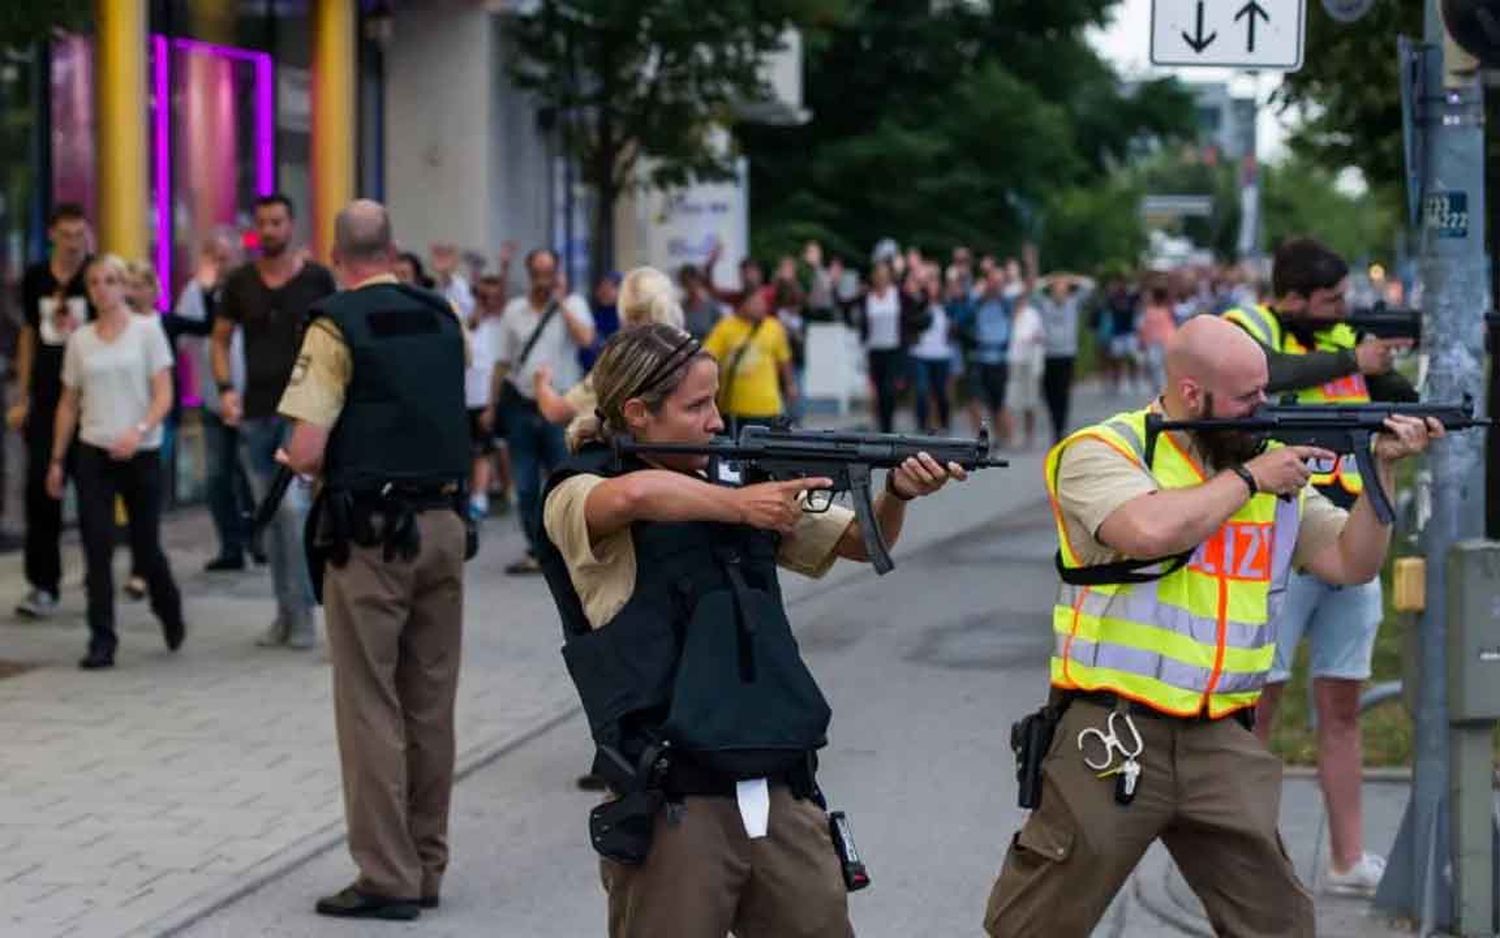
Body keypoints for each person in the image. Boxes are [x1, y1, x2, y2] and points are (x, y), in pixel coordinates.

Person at [983, 316, 1439, 937]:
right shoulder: (1106, 450)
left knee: (1278, 924)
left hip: (1221, 736)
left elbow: (1350, 562)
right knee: (1034, 926)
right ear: (1192, 395)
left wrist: (1382, 470)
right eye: (1248, 396)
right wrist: (1251, 479)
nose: (1265, 407)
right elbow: (1146, 530)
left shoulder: (1262, 464)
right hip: (1115, 729)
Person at [537, 323, 965, 938]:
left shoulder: (736, 481)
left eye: (716, 400)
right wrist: (739, 505)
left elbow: (856, 541)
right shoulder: (578, 491)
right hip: (673, 804)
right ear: (637, 412)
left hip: (782, 788)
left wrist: (895, 491)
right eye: (696, 405)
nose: (716, 421)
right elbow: (630, 498)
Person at [277, 200, 470, 921]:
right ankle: (427, 864)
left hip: (371, 539)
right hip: (446, 527)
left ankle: (386, 877)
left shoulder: (334, 325)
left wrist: (293, 456)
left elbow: (304, 451)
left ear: (335, 254)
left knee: (370, 705)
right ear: (393, 250)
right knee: (431, 703)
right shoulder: (445, 317)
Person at [1224, 237, 1417, 895]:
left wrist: (1387, 369)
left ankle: (1346, 859)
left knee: (1342, 706)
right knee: (1259, 711)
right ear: (1294, 297)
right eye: (1329, 301)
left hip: (1350, 532)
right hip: (1277, 537)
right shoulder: (1244, 328)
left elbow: (1399, 396)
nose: (1343, 310)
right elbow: (1261, 375)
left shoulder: (1342, 332)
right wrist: (1351, 357)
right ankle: (1248, 863)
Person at [212, 193, 337, 649]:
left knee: (291, 511)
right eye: (263, 223)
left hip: (302, 412)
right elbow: (220, 339)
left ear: (292, 225)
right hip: (255, 411)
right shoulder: (241, 282)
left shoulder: (318, 280)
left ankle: (303, 615)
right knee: (270, 516)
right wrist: (225, 389)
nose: (270, 230)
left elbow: (339, 338)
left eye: (277, 222)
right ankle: (284, 614)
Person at [46, 255, 183, 670]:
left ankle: (168, 608)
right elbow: (68, 404)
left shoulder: (147, 331)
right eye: (94, 282)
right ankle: (101, 639)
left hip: (139, 452)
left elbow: (164, 395)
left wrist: (138, 430)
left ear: (125, 286)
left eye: (110, 281)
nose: (102, 288)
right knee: (96, 545)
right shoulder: (80, 340)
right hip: (94, 451)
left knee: (145, 546)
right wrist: (56, 459)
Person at [494, 248, 596, 575]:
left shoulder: (573, 305)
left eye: (548, 271)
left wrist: (561, 301)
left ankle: (562, 547)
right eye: (537, 271)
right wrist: (492, 403)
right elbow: (504, 362)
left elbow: (586, 340)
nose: (542, 278)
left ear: (557, 272)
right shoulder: (514, 311)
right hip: (521, 406)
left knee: (561, 478)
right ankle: (536, 549)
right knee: (524, 485)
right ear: (528, 272)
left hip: (560, 406)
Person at [12, 203, 92, 619]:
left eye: (80, 235)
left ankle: (103, 578)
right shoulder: (35, 279)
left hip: (91, 402)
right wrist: (22, 396)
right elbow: (28, 334)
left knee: (94, 489)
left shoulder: (95, 276)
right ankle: (43, 583)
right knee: (41, 490)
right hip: (45, 398)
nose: (74, 244)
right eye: (67, 235)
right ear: (53, 236)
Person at [174, 232, 262, 571]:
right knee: (217, 476)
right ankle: (231, 545)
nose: (222, 263)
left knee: (253, 474)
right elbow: (185, 336)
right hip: (214, 399)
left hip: (254, 400)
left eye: (228, 256)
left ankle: (259, 538)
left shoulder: (252, 288)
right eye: (216, 256)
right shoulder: (195, 292)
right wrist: (205, 292)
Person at [702, 287, 796, 433]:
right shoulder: (725, 327)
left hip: (768, 408)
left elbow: (784, 359)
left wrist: (790, 385)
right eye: (756, 302)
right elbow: (708, 355)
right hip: (733, 409)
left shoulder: (774, 327)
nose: (762, 306)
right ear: (743, 304)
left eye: (763, 302)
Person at [1032, 271, 1093, 444]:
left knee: (1063, 393)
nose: (1060, 293)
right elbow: (1033, 290)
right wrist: (1050, 280)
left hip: (1066, 355)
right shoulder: (1044, 304)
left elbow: (1089, 286)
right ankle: (1054, 422)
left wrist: (1070, 278)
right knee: (1049, 393)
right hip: (1048, 355)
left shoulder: (1073, 303)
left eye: (1063, 289)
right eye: (1056, 290)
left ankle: (1060, 428)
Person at [957, 265, 1014, 446]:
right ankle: (980, 438)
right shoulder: (977, 301)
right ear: (987, 282)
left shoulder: (1006, 302)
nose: (996, 286)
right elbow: (963, 308)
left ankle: (1002, 437)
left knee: (997, 403)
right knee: (974, 399)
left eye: (999, 282)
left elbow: (1028, 290)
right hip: (979, 358)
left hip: (999, 358)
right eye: (993, 281)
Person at [465, 274, 506, 521]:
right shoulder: (469, 323)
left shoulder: (500, 324)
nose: (487, 301)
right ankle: (473, 493)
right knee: (468, 449)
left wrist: (491, 405)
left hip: (485, 397)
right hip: (463, 396)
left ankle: (480, 497)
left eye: (491, 297)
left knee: (484, 449)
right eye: (482, 296)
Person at [909, 264, 954, 432]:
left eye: (934, 281)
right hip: (921, 354)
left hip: (941, 355)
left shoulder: (947, 305)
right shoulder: (917, 303)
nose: (932, 285)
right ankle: (921, 426)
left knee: (941, 392)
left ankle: (944, 425)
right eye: (928, 281)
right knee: (921, 391)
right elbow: (911, 322)